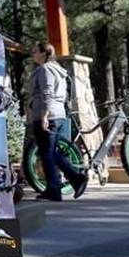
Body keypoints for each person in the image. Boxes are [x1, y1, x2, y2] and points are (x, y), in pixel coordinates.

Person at [29, 41, 87, 201]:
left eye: (35, 51)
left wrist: (44, 116)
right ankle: (75, 179)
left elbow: (47, 92)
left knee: (47, 153)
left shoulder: (45, 69)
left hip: (49, 115)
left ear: (44, 53)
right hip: (59, 113)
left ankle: (55, 190)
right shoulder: (59, 70)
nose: (33, 54)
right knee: (51, 152)